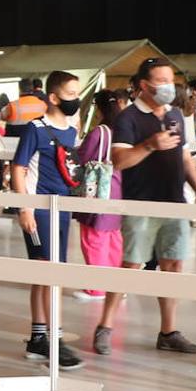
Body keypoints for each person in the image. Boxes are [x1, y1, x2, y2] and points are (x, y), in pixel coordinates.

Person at [91, 58, 196, 357]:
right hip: (140, 203)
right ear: (144, 85)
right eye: (161, 80)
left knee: (173, 265)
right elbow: (119, 161)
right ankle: (105, 326)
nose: (169, 86)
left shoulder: (177, 115)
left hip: (174, 203)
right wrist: (149, 145)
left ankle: (169, 331)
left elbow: (183, 157)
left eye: (171, 79)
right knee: (131, 265)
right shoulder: (128, 118)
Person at [10, 70, 85, 370]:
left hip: (62, 208)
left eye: (77, 94)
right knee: (47, 274)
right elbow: (18, 169)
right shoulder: (35, 129)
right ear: (53, 98)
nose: (75, 100)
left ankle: (39, 337)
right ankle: (53, 338)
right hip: (39, 210)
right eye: (70, 95)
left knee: (51, 273)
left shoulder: (72, 130)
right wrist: (24, 208)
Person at [73, 89, 124, 302]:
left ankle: (96, 288)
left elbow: (82, 156)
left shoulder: (99, 132)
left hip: (98, 191)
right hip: (119, 188)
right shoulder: (123, 130)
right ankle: (117, 285)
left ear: (98, 108)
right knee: (114, 236)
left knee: (93, 236)